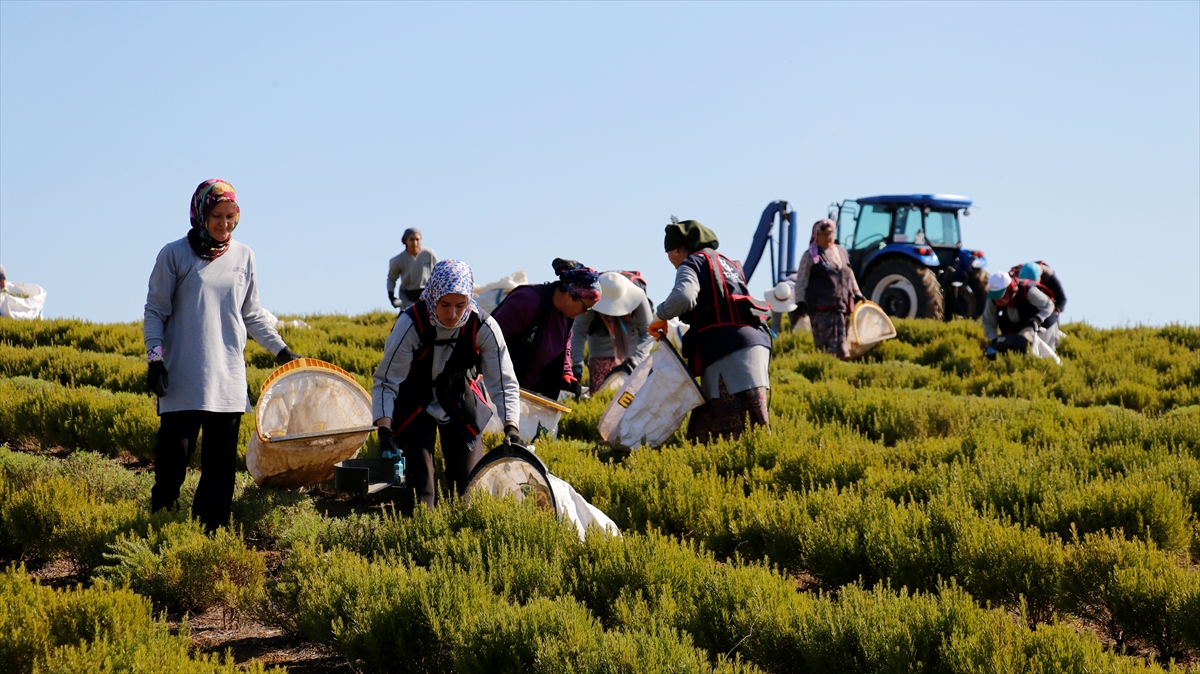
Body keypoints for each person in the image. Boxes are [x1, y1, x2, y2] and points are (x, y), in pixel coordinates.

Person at [143, 179, 302, 533]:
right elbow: (155, 311)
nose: (224, 224)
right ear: (201, 213)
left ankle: (208, 540)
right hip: (182, 381)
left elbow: (252, 313)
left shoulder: (245, 256)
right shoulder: (174, 254)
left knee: (219, 476)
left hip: (228, 384)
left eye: (231, 216)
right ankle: (160, 535)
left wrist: (282, 350)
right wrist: (155, 359)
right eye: (217, 215)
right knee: (172, 466)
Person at [371, 259, 522, 512]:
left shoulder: (483, 326)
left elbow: (504, 381)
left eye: (460, 305)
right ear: (432, 297)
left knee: (468, 485)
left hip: (459, 398)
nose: (453, 314)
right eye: (445, 305)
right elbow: (386, 380)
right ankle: (420, 533)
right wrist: (384, 430)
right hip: (414, 401)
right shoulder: (411, 324)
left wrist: (511, 426)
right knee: (422, 485)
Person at [649, 219, 772, 442]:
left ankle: (727, 471)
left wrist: (661, 314)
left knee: (723, 429)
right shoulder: (729, 263)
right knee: (754, 421)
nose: (671, 262)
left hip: (725, 349)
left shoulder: (691, 263)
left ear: (677, 249)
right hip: (756, 344)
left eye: (669, 255)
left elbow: (683, 297)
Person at [492, 258, 601, 400]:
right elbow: (488, 338)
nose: (585, 312)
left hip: (530, 394)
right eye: (585, 307)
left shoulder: (566, 316)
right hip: (498, 390)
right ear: (569, 295)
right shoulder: (528, 301)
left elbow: (565, 348)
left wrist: (566, 372)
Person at [570, 271, 655, 394]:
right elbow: (578, 331)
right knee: (602, 395)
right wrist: (577, 364)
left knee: (633, 398)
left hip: (633, 348)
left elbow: (648, 332)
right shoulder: (590, 296)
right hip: (600, 349)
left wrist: (636, 360)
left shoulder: (638, 296)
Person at [982, 271, 1057, 359]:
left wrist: (1038, 319)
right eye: (995, 296)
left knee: (1044, 358)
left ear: (1009, 289)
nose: (998, 300)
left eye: (1000, 296)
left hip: (1044, 327)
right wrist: (995, 340)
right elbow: (988, 322)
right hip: (1018, 330)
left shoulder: (1028, 290)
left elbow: (1048, 306)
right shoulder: (993, 300)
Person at [387, 228, 438, 310]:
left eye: (417, 239)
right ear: (405, 241)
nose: (415, 243)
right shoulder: (398, 260)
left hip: (427, 295)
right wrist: (391, 296)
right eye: (411, 239)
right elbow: (391, 279)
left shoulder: (429, 254)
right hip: (407, 297)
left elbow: (438, 272)